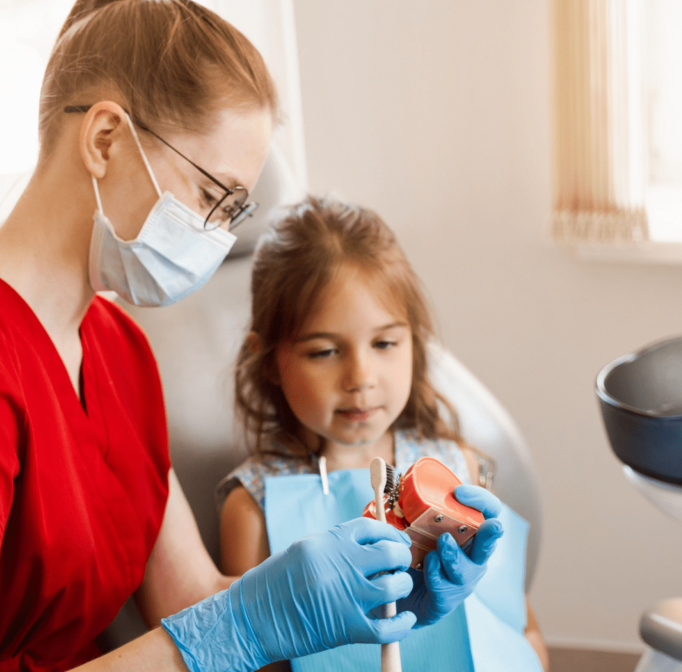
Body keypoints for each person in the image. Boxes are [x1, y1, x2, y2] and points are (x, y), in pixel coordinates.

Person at [0, 2, 504, 671]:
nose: (219, 235)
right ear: (105, 139)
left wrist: (368, 592)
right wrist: (247, 622)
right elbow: (218, 632)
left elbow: (196, 602)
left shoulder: (118, 348)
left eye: (235, 211)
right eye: (212, 197)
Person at [218, 196, 550, 671]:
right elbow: (251, 659)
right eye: (324, 351)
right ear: (270, 360)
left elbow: (519, 627)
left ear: (415, 342)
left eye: (384, 343)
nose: (361, 376)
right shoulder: (254, 504)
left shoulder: (453, 472)